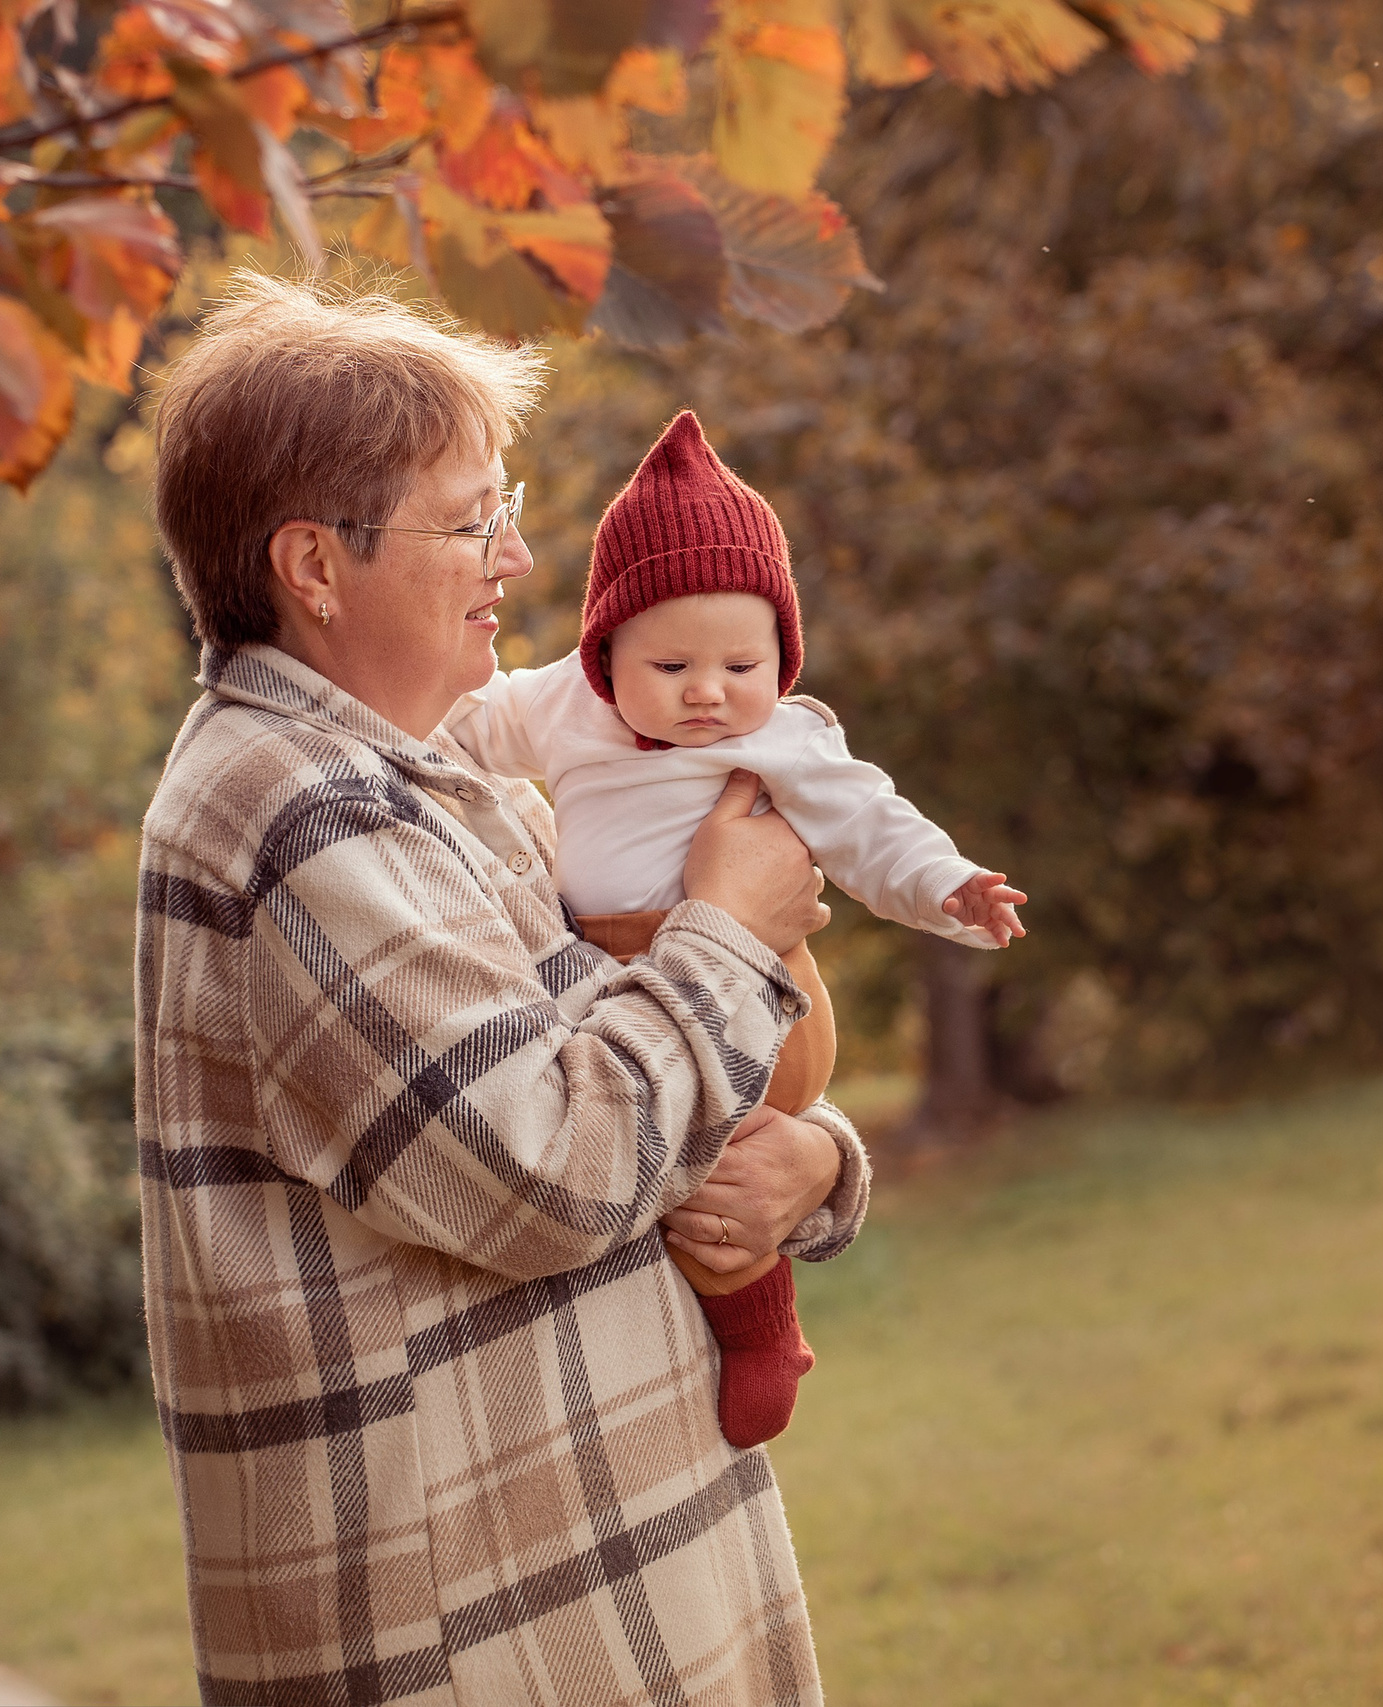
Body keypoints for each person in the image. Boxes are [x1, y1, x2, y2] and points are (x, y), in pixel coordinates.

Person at [135, 273, 871, 1706]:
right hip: (476, 1636)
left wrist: (816, 1160)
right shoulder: (297, 816)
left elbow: (627, 1071)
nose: (518, 556)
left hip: (600, 1574)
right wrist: (730, 929)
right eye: (472, 519)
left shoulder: (437, 783)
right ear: (315, 564)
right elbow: (555, 1174)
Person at [446, 410, 1028, 1449]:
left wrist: (947, 887)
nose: (709, 693)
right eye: (671, 667)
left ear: (780, 659)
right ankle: (729, 1320)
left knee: (720, 1168)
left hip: (760, 995)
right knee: (668, 1157)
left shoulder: (783, 741)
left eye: (743, 666)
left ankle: (762, 1329)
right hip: (613, 983)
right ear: (604, 654)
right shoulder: (561, 707)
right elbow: (460, 724)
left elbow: (869, 824)